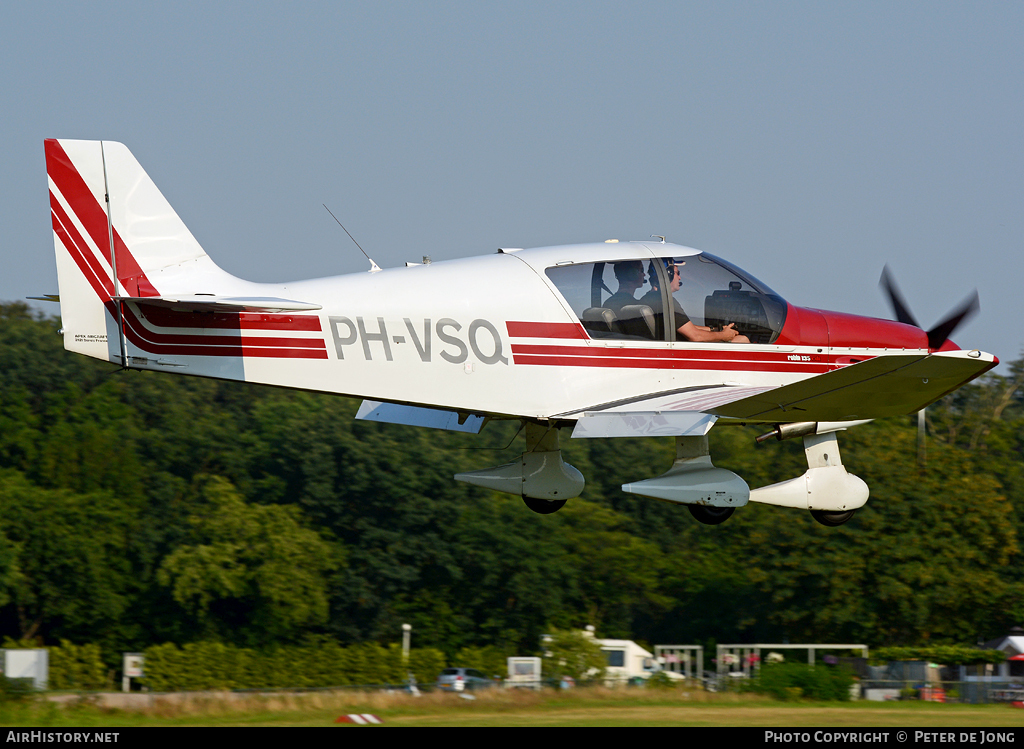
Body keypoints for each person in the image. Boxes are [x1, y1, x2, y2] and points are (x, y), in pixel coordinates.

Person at [641, 260, 750, 343]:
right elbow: (695, 336)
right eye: (676, 273)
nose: (679, 277)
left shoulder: (647, 299)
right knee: (742, 340)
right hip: (680, 354)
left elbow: (685, 326)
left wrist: (715, 329)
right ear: (667, 275)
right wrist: (723, 335)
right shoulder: (665, 302)